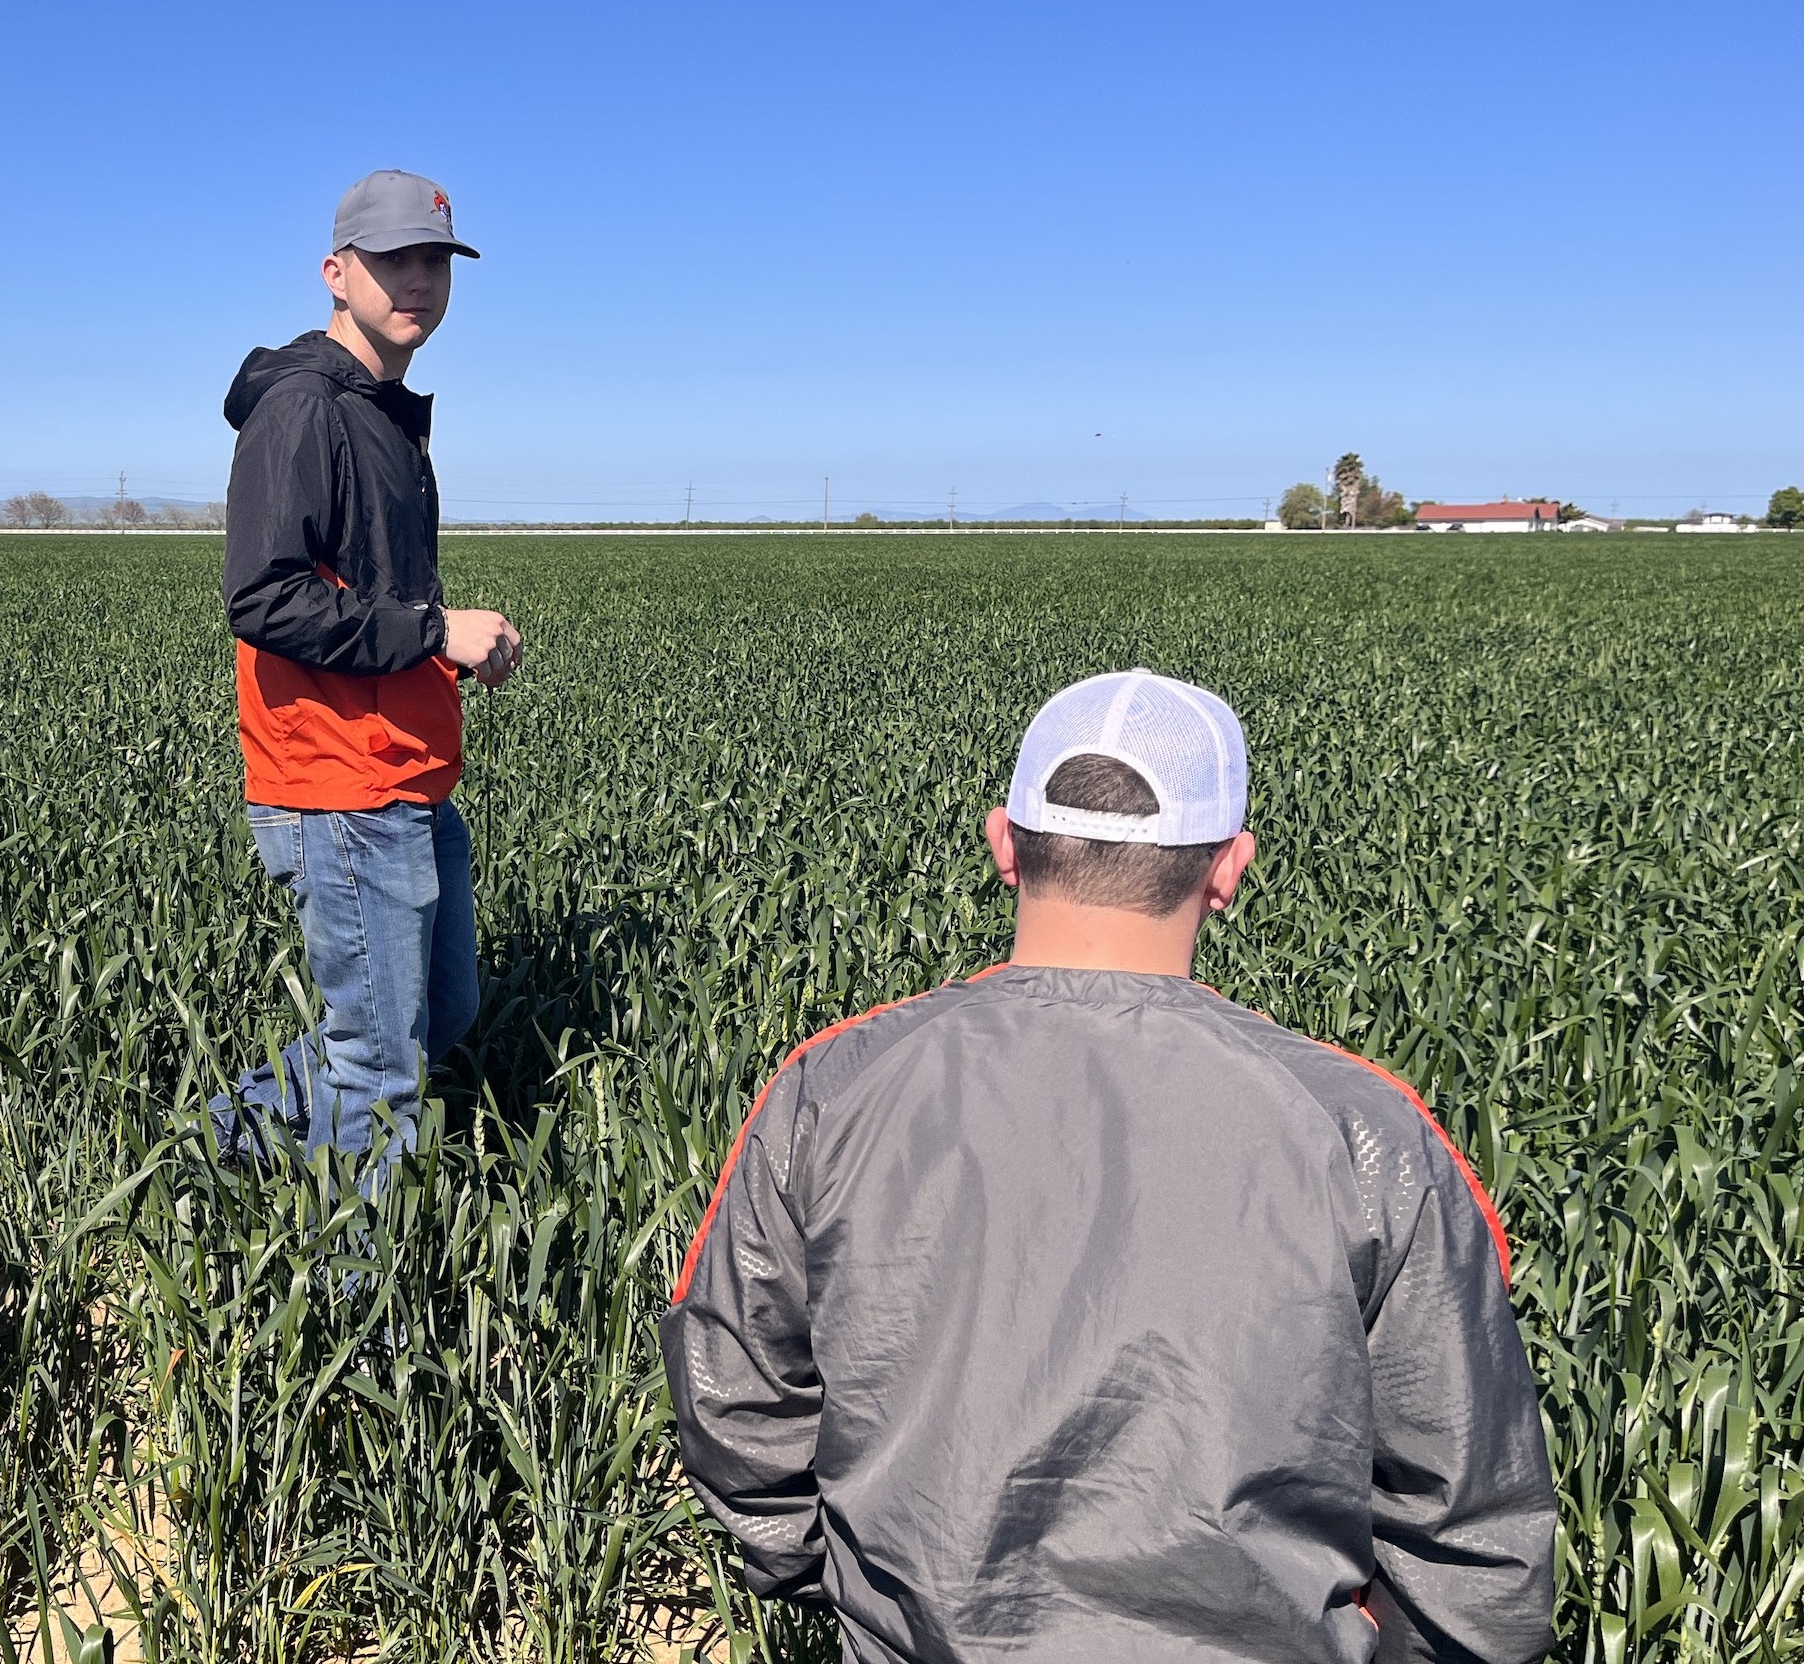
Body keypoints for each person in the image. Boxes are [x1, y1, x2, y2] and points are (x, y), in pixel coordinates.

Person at [663, 670, 1556, 1662]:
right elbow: (1478, 1535)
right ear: (1228, 868)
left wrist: (840, 1583)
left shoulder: (832, 1089)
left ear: (1004, 844)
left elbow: (733, 1400)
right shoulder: (1366, 1131)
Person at [212, 169, 523, 1181]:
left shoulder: (382, 410)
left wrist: (445, 644)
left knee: (443, 1016)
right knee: (382, 1069)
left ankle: (223, 1143)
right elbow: (263, 596)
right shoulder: (302, 412)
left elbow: (364, 588)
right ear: (337, 273)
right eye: (393, 260)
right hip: (340, 783)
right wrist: (435, 630)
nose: (417, 281)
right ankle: (358, 1308)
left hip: (409, 770)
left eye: (434, 260)